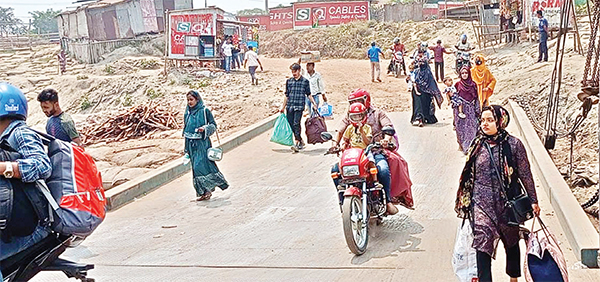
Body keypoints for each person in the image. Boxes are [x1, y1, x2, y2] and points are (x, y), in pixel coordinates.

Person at [455, 105, 541, 282]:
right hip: (481, 203)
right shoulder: (477, 144)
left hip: (506, 203)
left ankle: (513, 277)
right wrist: (467, 201)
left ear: (500, 122)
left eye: (490, 120)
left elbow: (525, 174)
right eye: (483, 120)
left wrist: (533, 200)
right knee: (482, 243)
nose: (484, 124)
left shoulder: (514, 145)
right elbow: (469, 174)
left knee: (511, 241)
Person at [331, 89, 414, 212]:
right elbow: (340, 130)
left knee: (383, 170)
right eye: (353, 102)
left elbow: (388, 127)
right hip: (354, 154)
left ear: (366, 100)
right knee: (335, 170)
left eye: (358, 100)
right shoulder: (351, 115)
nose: (356, 104)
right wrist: (335, 144)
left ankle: (387, 201)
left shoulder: (378, 113)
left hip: (374, 151)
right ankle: (343, 201)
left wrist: (386, 139)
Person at [0, 82, 53, 274]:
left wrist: (3, 168)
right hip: (13, 223)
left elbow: (42, 165)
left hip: (31, 226)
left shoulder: (19, 132)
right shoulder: (3, 138)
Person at [183, 90, 229, 201]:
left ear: (197, 100)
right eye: (188, 100)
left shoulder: (204, 111)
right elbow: (185, 130)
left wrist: (204, 129)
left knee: (200, 166)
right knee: (195, 168)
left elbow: (213, 125)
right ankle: (203, 193)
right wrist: (186, 149)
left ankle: (208, 190)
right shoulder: (187, 113)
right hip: (191, 145)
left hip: (202, 144)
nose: (189, 102)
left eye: (191, 100)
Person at [280, 63, 317, 152]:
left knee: (296, 123)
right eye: (292, 71)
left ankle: (297, 143)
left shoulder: (305, 82)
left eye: (295, 71)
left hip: (299, 106)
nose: (294, 73)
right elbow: (286, 95)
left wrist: (314, 104)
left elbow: (308, 94)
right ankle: (300, 139)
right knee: (290, 123)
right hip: (290, 106)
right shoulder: (289, 81)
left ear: (299, 70)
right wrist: (282, 107)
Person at [411, 43, 443, 127]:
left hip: (426, 92)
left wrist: (433, 93)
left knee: (426, 100)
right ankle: (419, 118)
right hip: (417, 90)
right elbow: (413, 80)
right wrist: (416, 89)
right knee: (418, 101)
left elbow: (432, 84)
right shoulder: (417, 71)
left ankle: (426, 117)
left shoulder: (428, 73)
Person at [454, 67, 481, 154]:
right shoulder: (458, 85)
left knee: (472, 128)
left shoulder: (473, 84)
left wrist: (478, 110)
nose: (464, 75)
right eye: (463, 73)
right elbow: (455, 98)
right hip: (462, 110)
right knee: (461, 128)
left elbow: (476, 98)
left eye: (466, 73)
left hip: (471, 109)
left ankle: (471, 147)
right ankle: (463, 145)